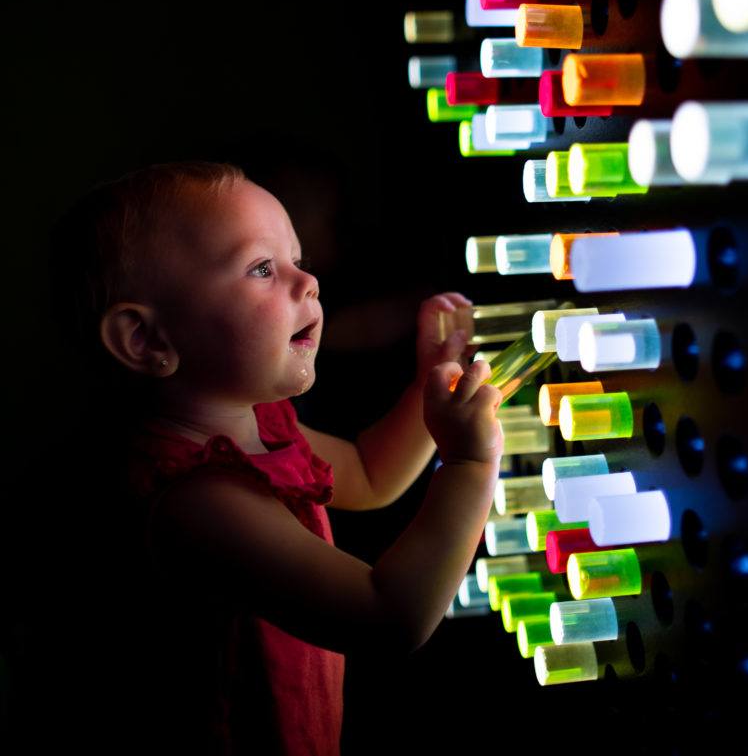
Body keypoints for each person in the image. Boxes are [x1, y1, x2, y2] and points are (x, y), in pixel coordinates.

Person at [40, 161, 503, 755]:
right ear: (148, 341)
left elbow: (368, 472)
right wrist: (468, 464)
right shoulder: (199, 502)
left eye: (298, 261)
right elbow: (389, 618)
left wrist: (425, 385)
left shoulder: (263, 424)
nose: (308, 284)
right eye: (263, 268)